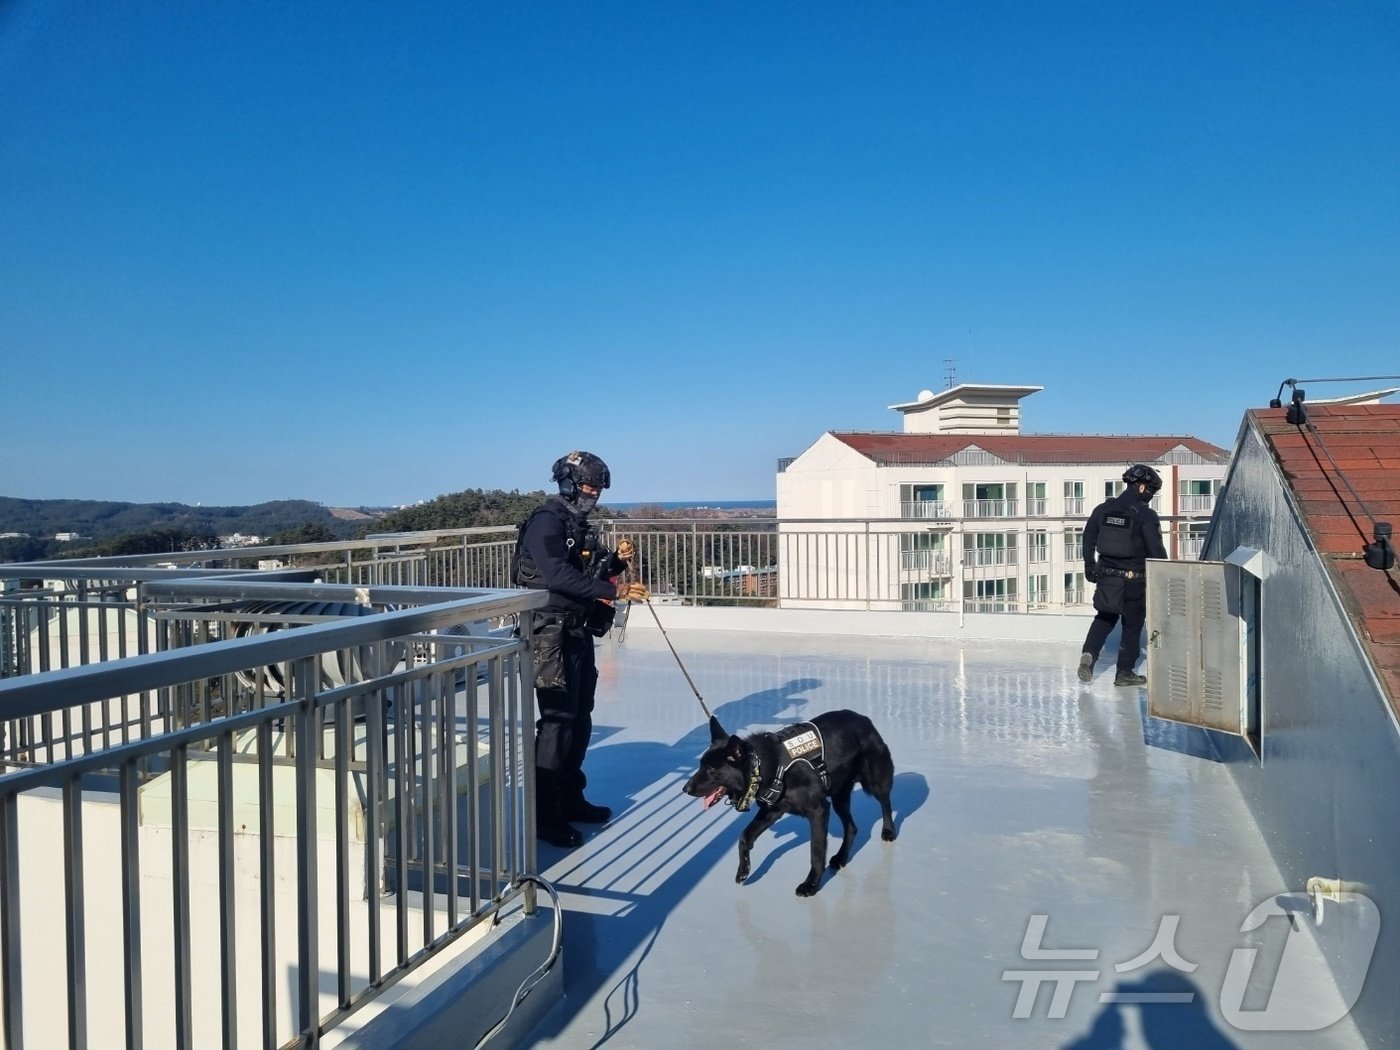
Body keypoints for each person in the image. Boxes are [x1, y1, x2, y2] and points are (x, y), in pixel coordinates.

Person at [512, 450, 650, 848]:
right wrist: (616, 590)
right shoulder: (546, 522)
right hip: (548, 633)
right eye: (588, 487)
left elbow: (587, 572)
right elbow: (557, 575)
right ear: (569, 483)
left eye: (597, 490)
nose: (593, 494)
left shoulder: (576, 523)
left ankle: (572, 798)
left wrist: (616, 564)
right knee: (556, 722)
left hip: (575, 630)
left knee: (580, 716)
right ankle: (544, 815)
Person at [1077, 464, 1167, 687]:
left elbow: (1088, 539)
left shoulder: (1103, 509)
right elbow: (1156, 551)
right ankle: (1124, 673)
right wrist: (1164, 576)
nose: (1151, 496)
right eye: (1151, 491)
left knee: (1104, 617)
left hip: (1107, 577)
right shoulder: (1146, 515)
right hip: (1134, 580)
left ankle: (1089, 654)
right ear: (1142, 486)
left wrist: (1090, 566)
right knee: (1132, 625)